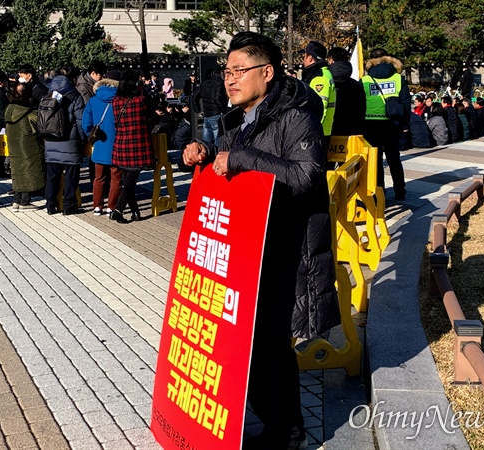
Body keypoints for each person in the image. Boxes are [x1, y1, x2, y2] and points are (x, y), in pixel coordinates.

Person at [182, 31, 339, 450]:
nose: (229, 80)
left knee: (269, 343)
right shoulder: (239, 119)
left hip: (287, 250)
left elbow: (306, 176)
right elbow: (228, 167)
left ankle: (286, 433)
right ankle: (272, 423)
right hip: (248, 248)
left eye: (239, 71)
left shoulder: (297, 114)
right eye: (226, 71)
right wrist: (202, 151)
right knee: (247, 341)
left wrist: (242, 158)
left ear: (266, 73)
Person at [361, 48, 411, 201]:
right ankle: (400, 190)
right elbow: (406, 104)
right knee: (394, 159)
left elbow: (360, 104)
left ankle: (379, 192)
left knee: (375, 161)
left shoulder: (365, 80)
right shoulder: (398, 78)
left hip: (370, 124)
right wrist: (405, 124)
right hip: (392, 124)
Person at [109, 69, 154, 223]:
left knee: (128, 181)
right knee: (129, 183)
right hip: (137, 147)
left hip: (121, 146)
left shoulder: (115, 101)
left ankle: (135, 212)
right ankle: (118, 210)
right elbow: (151, 116)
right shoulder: (141, 101)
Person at [43, 71, 86, 215]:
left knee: (52, 177)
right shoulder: (75, 97)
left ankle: (50, 205)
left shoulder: (47, 96)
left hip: (51, 142)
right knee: (71, 177)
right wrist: (82, 139)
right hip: (70, 143)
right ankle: (68, 206)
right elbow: (81, 122)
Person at [82, 71, 122, 217]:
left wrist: (91, 135)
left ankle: (97, 206)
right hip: (117, 144)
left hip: (99, 143)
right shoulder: (120, 99)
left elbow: (86, 123)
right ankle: (111, 207)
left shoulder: (93, 100)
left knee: (99, 178)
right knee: (116, 178)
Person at [4, 82, 45, 211]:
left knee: (17, 171)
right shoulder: (29, 112)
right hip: (29, 145)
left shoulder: (10, 110)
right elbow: (41, 126)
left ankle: (16, 200)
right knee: (29, 170)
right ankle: (25, 202)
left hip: (14, 145)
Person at [300, 41, 335, 149]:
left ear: (310, 57)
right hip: (320, 131)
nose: (303, 59)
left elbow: (320, 108)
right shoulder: (321, 73)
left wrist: (308, 131)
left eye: (304, 56)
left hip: (317, 132)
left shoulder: (319, 77)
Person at [326, 46, 366, 137]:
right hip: (352, 133)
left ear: (331, 60)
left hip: (328, 131)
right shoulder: (357, 86)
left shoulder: (324, 82)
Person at [192, 66, 228, 146]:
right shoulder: (220, 84)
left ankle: (207, 156)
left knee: (206, 142)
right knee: (218, 141)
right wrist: (223, 110)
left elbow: (194, 96)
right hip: (217, 114)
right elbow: (218, 99)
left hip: (206, 114)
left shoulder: (204, 83)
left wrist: (197, 110)